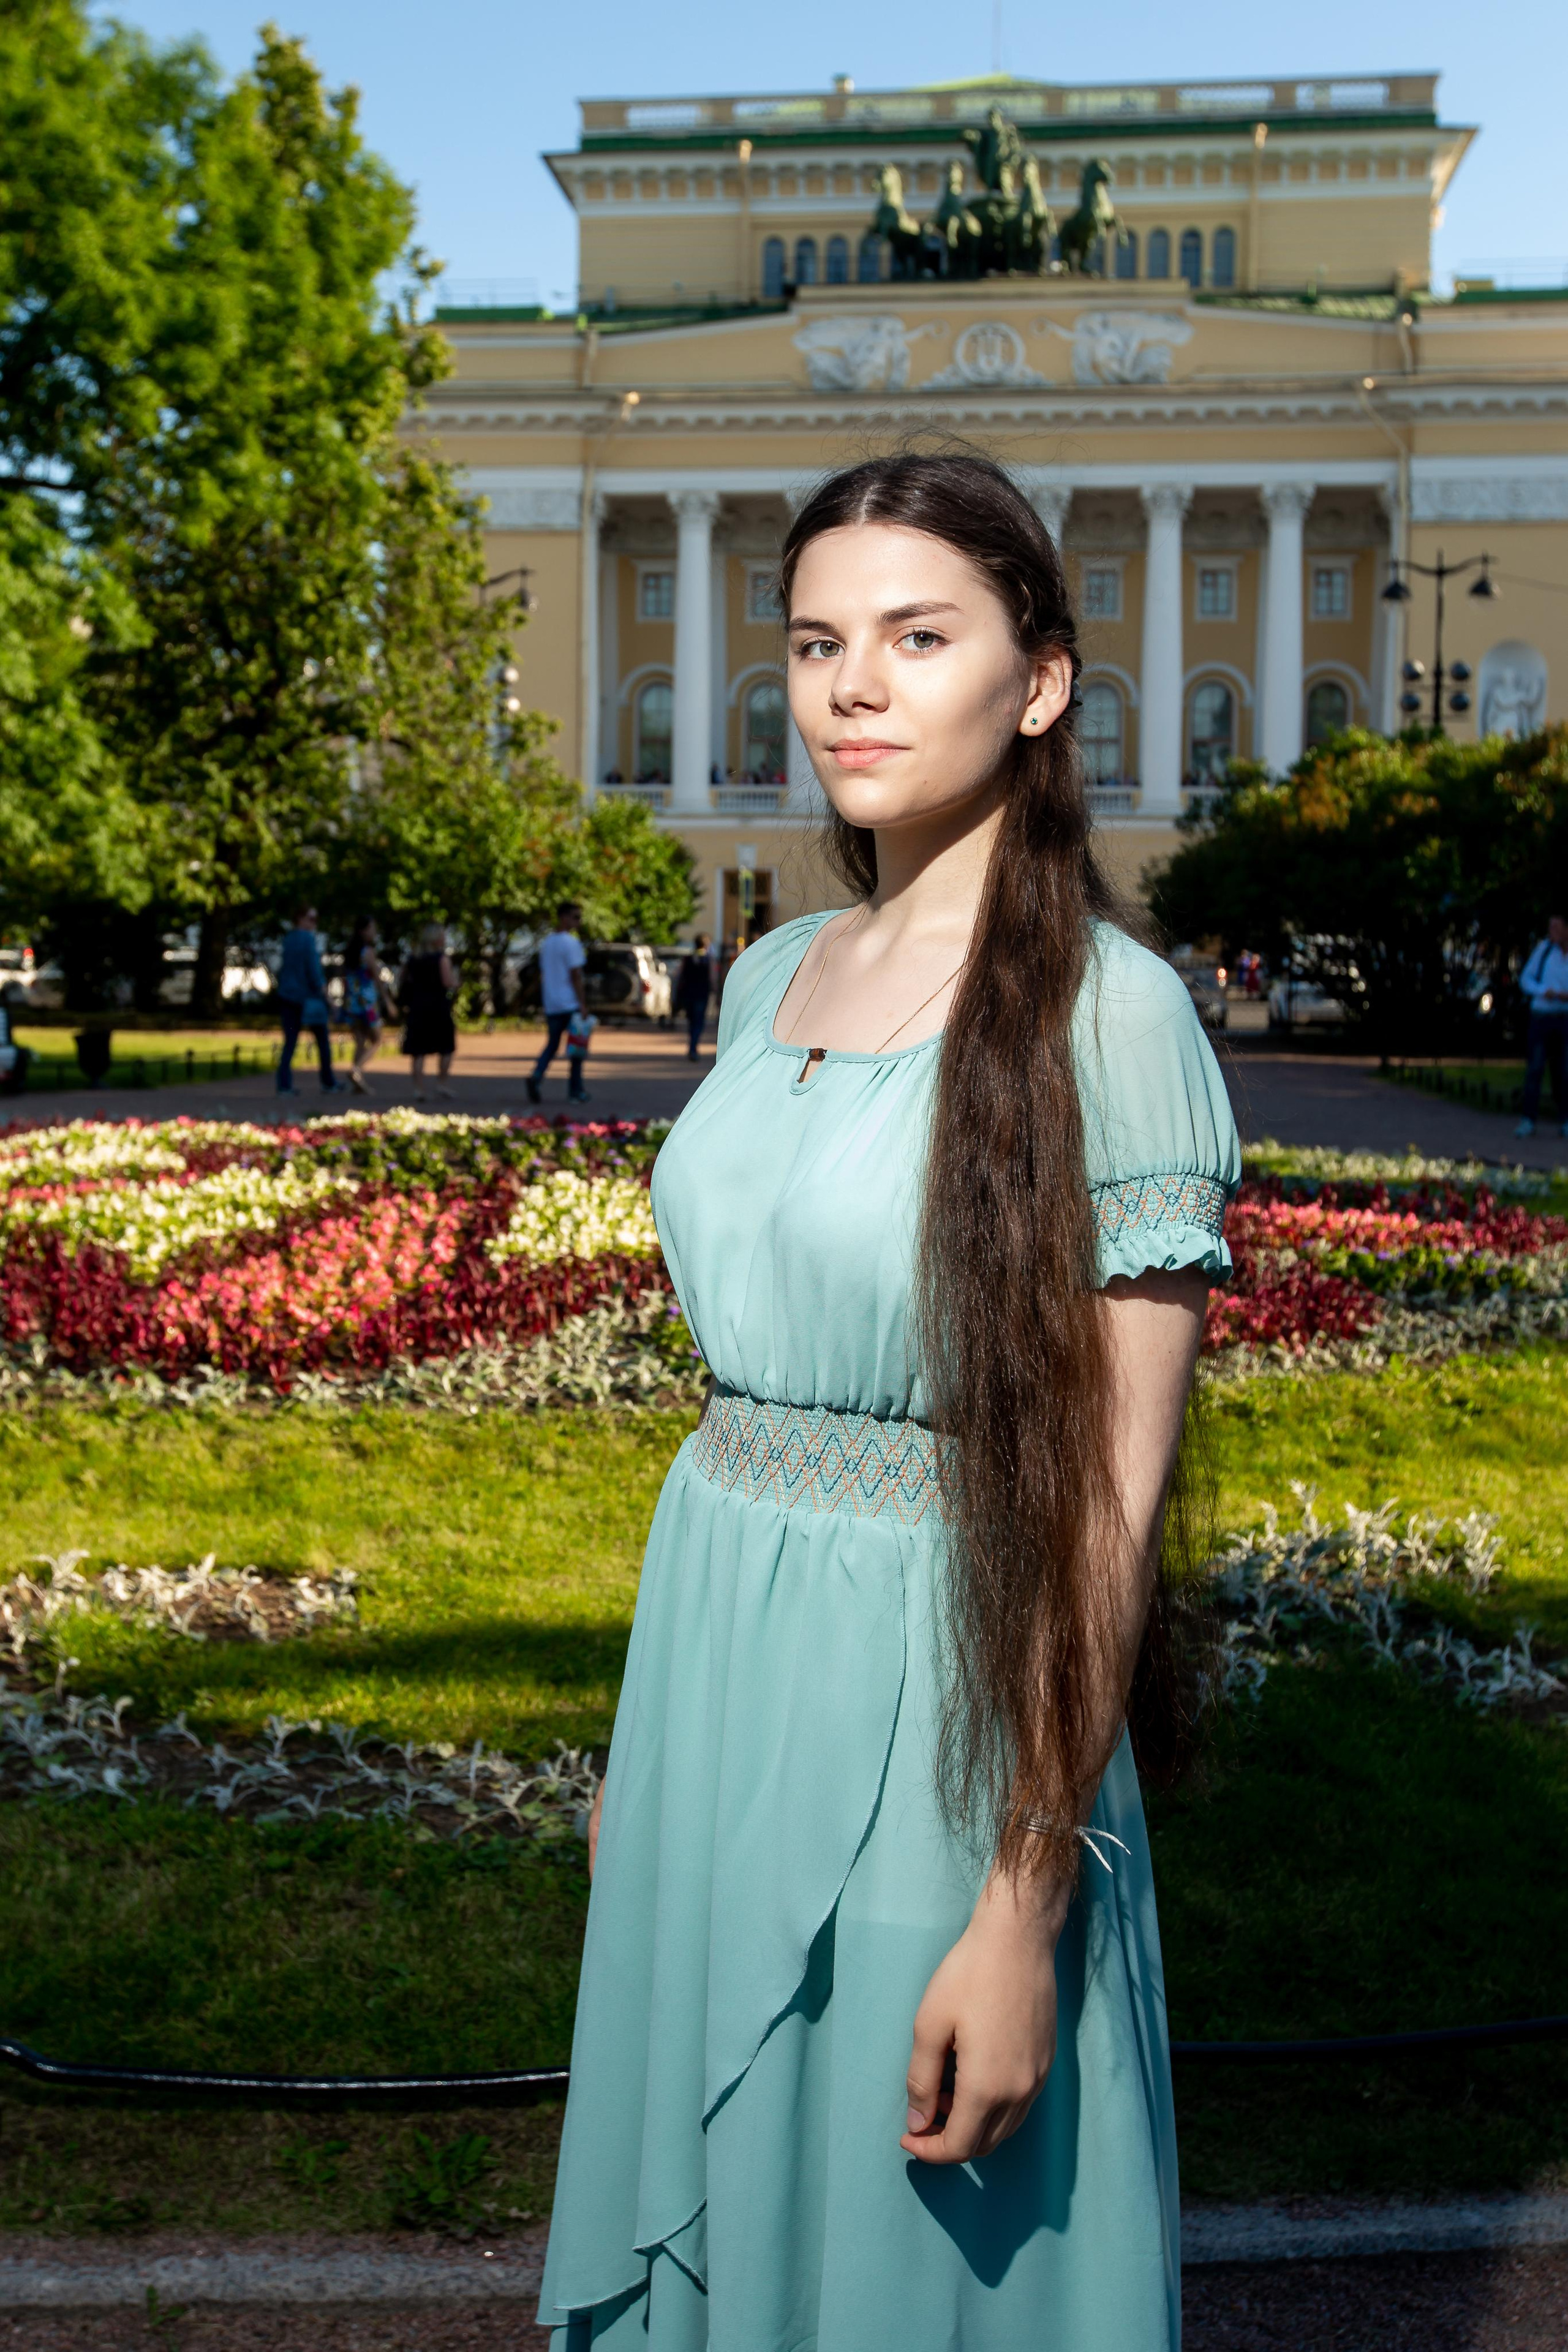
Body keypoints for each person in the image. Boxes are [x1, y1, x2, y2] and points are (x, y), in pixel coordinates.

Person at [539, 454, 1240, 2350]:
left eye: (917, 636)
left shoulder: (1111, 1014)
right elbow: (727, 1418)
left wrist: (1022, 1909)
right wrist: (649, 1743)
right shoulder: (771, 971)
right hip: (716, 1690)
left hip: (941, 1722)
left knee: (897, 2250)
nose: (849, 685)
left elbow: (1101, 1502)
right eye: (818, 641)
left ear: (1037, 681)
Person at [275, 907, 342, 1096]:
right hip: (308, 999)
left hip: (287, 996)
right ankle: (328, 1082)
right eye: (311, 918)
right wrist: (329, 1000)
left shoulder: (288, 939)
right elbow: (314, 972)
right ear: (300, 918)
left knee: (290, 1042)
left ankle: (284, 1084)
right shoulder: (307, 940)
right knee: (322, 1040)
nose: (314, 923)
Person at [526, 902, 589, 1105]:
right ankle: (576, 1091)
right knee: (577, 1050)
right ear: (564, 918)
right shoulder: (570, 943)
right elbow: (576, 975)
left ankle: (537, 1075)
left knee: (552, 1045)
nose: (578, 922)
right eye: (575, 917)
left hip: (552, 1002)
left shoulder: (548, 943)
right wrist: (582, 1003)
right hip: (570, 1003)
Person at [1517, 911, 1568, 1136]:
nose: (1552, 933)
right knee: (1536, 1068)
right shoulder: (1545, 949)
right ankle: (1528, 1119)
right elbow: (1526, 979)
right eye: (1551, 927)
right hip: (1542, 1016)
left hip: (1565, 1017)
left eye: (1557, 928)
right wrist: (1543, 991)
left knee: (1565, 1070)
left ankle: (1566, 1120)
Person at [398, 922, 458, 1100]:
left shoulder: (413, 959)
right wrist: (456, 983)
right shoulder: (442, 959)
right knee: (446, 1047)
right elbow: (447, 982)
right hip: (438, 1006)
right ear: (437, 939)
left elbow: (402, 978)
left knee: (418, 1051)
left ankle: (419, 1088)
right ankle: (442, 1083)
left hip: (417, 1007)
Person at [344, 918, 386, 1095]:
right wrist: (388, 1001)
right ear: (364, 931)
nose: (374, 932)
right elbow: (377, 977)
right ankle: (357, 1070)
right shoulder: (368, 952)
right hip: (367, 1003)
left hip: (353, 1002)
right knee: (377, 1040)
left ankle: (357, 1083)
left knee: (360, 1042)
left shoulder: (350, 951)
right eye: (372, 929)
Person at [673, 932, 714, 1060]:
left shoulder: (688, 958)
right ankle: (693, 1048)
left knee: (691, 1022)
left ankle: (692, 1045)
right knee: (699, 1022)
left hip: (688, 994)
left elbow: (679, 976)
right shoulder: (708, 960)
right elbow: (713, 977)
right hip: (702, 994)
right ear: (706, 945)